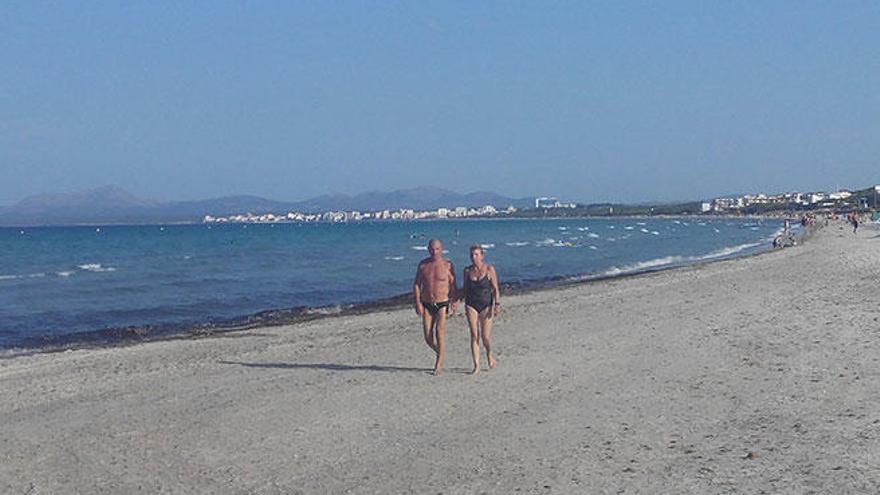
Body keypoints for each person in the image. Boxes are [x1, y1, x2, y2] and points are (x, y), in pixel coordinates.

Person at [413, 239, 458, 375]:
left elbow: (453, 284)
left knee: (439, 331)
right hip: (427, 303)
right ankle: (441, 352)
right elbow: (416, 284)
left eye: (437, 249)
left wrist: (455, 301)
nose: (435, 252)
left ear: (442, 249)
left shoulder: (448, 265)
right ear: (428, 249)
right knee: (427, 336)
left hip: (442, 302)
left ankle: (438, 363)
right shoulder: (423, 265)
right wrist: (417, 302)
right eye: (432, 249)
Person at [463, 244, 501, 374]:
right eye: (472, 255)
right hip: (471, 304)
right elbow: (465, 289)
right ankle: (476, 365)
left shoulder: (489, 269)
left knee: (485, 337)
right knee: (474, 335)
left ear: (482, 256)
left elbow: (495, 288)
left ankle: (489, 353)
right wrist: (455, 299)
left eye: (476, 254)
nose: (474, 257)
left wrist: (497, 304)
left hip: (486, 304)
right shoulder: (467, 271)